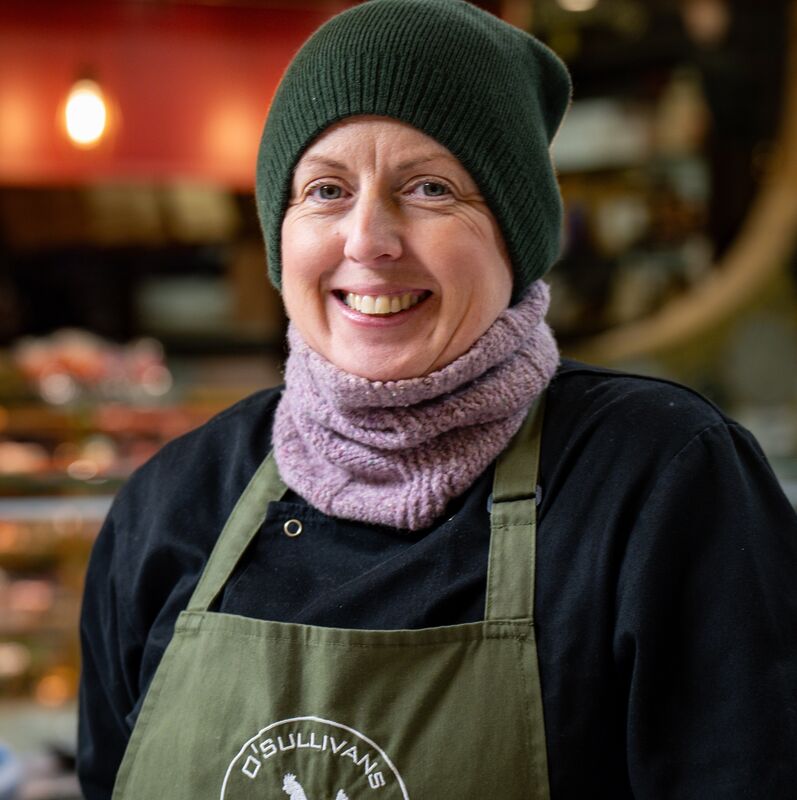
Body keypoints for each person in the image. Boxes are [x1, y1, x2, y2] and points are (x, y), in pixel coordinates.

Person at [77, 0, 797, 797]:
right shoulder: (173, 502)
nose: (366, 239)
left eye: (428, 188)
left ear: (515, 236)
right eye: (325, 190)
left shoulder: (660, 481)